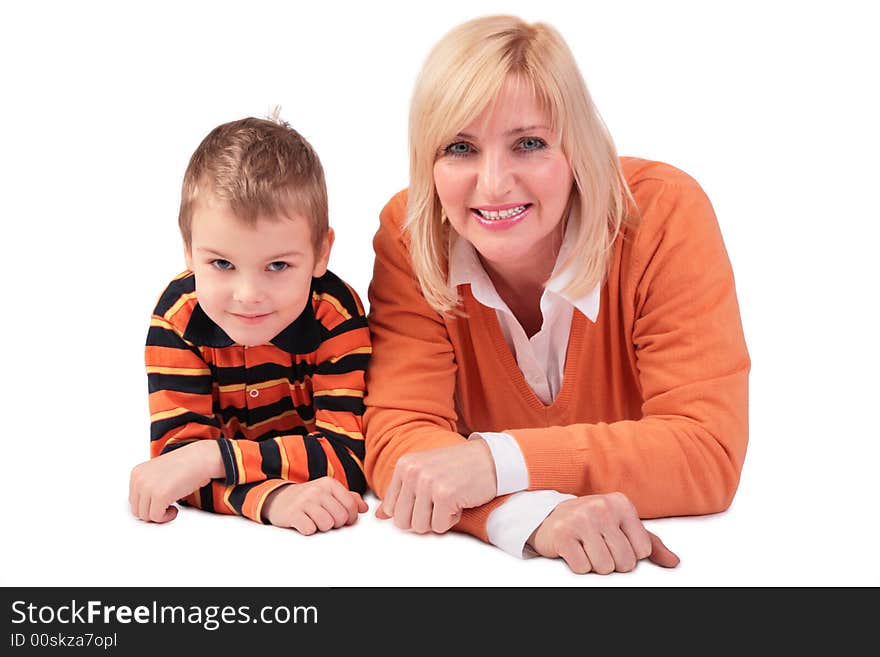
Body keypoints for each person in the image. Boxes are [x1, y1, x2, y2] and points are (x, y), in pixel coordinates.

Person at [364, 15, 750, 574]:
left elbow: (705, 453)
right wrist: (531, 517)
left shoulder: (663, 215)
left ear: (577, 150)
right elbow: (403, 447)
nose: (493, 184)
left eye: (529, 143)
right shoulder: (411, 234)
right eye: (459, 147)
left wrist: (494, 462)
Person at [130, 114, 370, 535]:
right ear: (188, 252)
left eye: (277, 265)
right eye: (221, 263)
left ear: (320, 253)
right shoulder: (177, 320)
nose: (248, 294)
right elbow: (175, 470)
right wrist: (272, 499)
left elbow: (349, 457)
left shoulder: (335, 315)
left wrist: (212, 459)